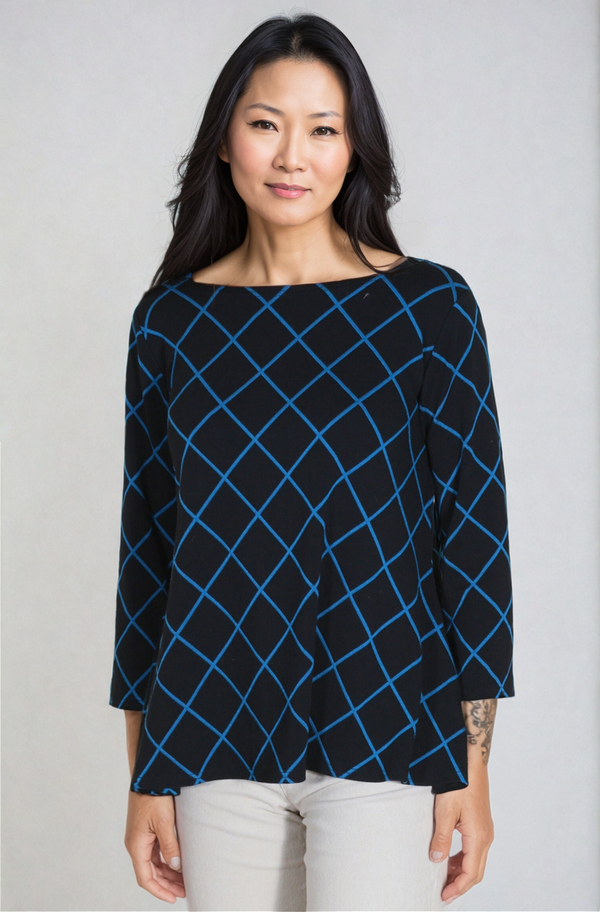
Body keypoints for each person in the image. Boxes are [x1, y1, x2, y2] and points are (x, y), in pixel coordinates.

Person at [109, 12, 516, 912]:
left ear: (354, 147)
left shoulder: (430, 309)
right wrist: (145, 772)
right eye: (266, 123)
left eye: (323, 129)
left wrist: (474, 767)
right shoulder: (169, 323)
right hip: (209, 736)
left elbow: (473, 545)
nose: (293, 155)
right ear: (225, 139)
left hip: (391, 730)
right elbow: (149, 556)